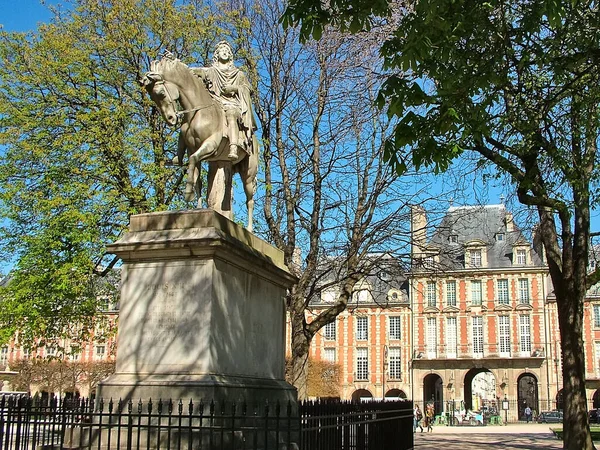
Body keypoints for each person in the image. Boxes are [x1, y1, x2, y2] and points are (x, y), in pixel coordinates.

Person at [191, 41, 256, 161]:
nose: (225, 52)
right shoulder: (211, 71)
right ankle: (181, 153)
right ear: (217, 54)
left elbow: (248, 89)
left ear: (231, 55)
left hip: (232, 104)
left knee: (231, 114)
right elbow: (194, 71)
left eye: (227, 51)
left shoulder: (238, 74)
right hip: (214, 104)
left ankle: (233, 147)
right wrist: (177, 66)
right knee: (191, 119)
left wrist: (234, 88)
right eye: (222, 50)